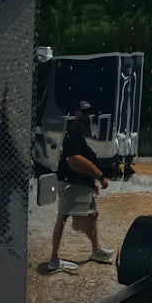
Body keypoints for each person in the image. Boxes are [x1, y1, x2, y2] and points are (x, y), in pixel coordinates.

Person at [48, 101, 114, 271]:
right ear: (76, 112)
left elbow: (82, 161)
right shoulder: (73, 131)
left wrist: (92, 182)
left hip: (81, 184)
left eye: (88, 112)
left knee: (93, 214)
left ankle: (96, 250)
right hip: (71, 184)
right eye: (83, 112)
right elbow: (74, 160)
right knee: (62, 219)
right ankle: (53, 259)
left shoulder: (77, 132)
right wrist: (99, 176)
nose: (86, 115)